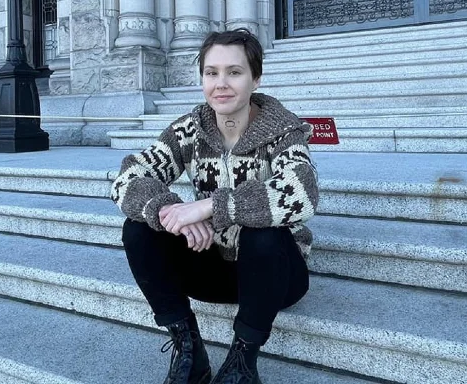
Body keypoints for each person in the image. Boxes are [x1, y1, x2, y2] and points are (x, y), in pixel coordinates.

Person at [111, 29, 319, 384]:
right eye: (212, 72)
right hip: (210, 270)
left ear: (255, 79)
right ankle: (189, 350)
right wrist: (167, 209)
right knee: (139, 228)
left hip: (276, 276)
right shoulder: (189, 130)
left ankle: (242, 362)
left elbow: (303, 191)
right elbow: (127, 177)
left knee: (263, 234)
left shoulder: (283, 130)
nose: (221, 83)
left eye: (234, 72)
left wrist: (210, 207)